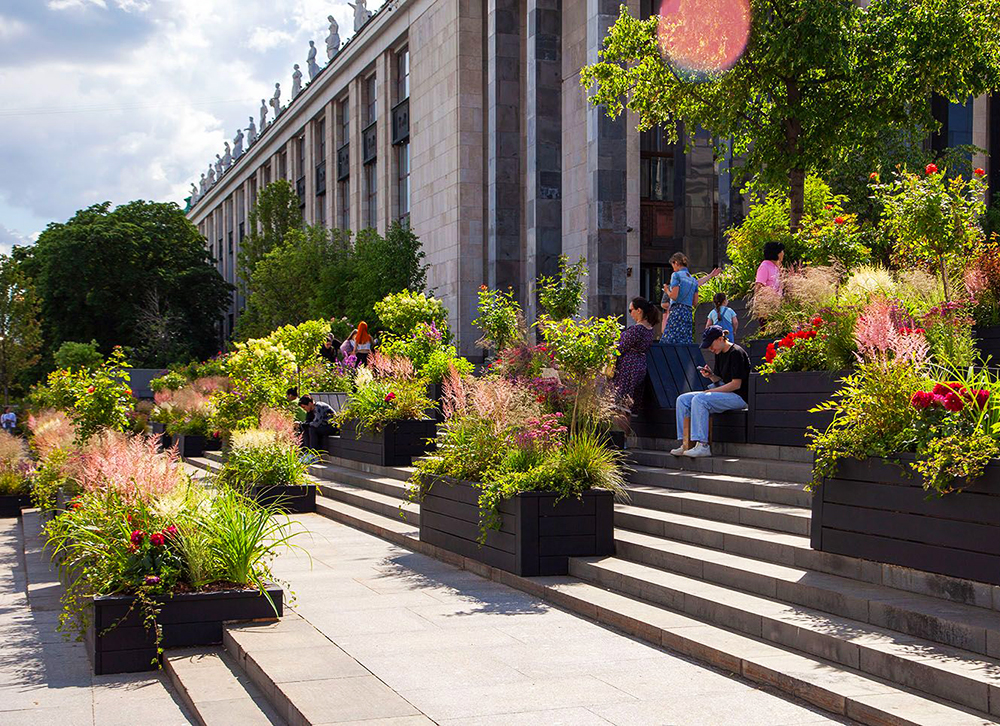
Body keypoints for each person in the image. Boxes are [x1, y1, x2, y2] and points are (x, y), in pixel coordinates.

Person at [671, 325, 750, 458]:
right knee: (683, 400)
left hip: (739, 397)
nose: (709, 349)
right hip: (727, 395)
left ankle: (703, 445)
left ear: (720, 339)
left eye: (710, 344)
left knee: (700, 399)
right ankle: (686, 443)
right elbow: (721, 379)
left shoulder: (737, 352)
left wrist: (710, 392)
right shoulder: (720, 353)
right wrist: (711, 376)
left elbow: (736, 384)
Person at [611, 298, 660, 413]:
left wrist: (610, 352)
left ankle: (622, 431)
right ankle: (628, 431)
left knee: (620, 407)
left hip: (627, 368)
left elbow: (620, 348)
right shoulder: (649, 329)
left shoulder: (637, 329)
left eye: (630, 310)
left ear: (639, 310)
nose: (630, 314)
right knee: (628, 407)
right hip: (639, 366)